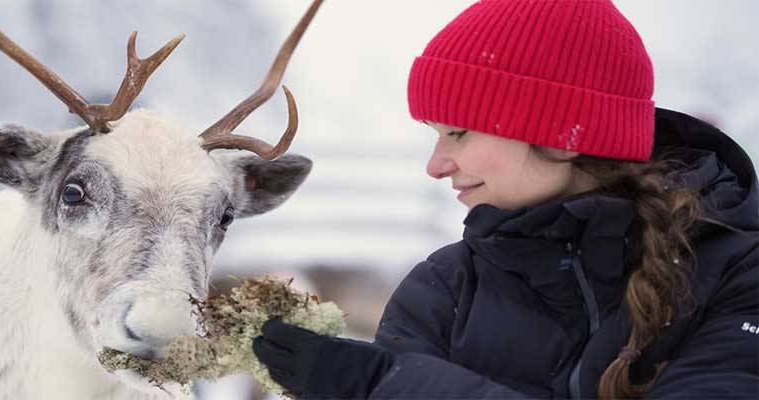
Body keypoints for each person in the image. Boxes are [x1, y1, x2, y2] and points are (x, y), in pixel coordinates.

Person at [251, 0, 758, 398]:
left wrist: (386, 387)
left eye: (458, 132)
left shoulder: (739, 275)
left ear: (563, 133)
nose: (435, 165)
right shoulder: (443, 289)